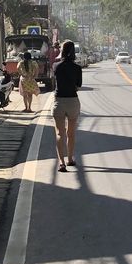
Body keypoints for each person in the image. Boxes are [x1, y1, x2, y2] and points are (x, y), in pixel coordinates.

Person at [53, 39, 82, 172]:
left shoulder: (56, 66)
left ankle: (61, 163)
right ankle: (70, 159)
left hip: (59, 101)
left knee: (60, 133)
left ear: (62, 51)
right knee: (71, 133)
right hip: (73, 102)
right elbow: (78, 86)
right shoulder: (77, 68)